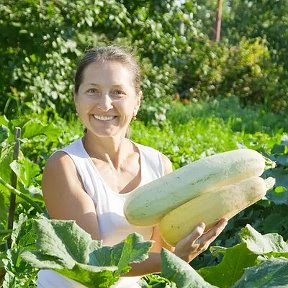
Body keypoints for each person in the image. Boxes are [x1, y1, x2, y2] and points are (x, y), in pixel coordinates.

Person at [37, 46, 228, 288]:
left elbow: (162, 248)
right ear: (76, 98)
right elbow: (93, 262)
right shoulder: (65, 166)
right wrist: (175, 260)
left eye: (117, 92)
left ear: (137, 101)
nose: (105, 104)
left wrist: (191, 230)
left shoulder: (158, 164)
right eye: (92, 91)